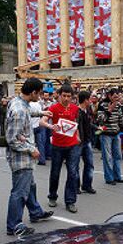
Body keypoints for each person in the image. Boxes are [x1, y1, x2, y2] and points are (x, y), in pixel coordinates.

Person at [5, 78, 54, 236]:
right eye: (39, 94)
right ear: (33, 92)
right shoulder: (19, 110)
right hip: (21, 158)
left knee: (30, 186)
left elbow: (27, 112)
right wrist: (30, 149)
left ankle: (35, 212)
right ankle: (14, 225)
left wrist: (41, 112)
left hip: (24, 157)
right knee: (20, 191)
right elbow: (12, 139)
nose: (40, 97)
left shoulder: (20, 103)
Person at [41, 84, 81, 213]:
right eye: (64, 96)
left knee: (73, 173)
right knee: (55, 172)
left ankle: (70, 201)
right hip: (57, 145)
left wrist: (78, 136)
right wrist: (50, 126)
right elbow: (42, 121)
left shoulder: (75, 108)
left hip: (73, 144)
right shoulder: (53, 108)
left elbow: (75, 124)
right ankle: (52, 196)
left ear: (72, 97)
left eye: (69, 96)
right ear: (59, 95)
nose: (66, 98)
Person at [96, 88, 123, 185]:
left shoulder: (118, 105)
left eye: (118, 97)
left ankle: (117, 176)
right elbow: (100, 121)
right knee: (108, 157)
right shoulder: (102, 105)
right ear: (109, 96)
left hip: (116, 133)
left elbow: (120, 117)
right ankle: (109, 178)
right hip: (106, 134)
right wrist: (109, 110)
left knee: (117, 156)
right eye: (115, 97)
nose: (117, 99)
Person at [77, 90, 96, 194]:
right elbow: (76, 127)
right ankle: (76, 187)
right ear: (85, 100)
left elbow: (89, 124)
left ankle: (87, 185)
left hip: (87, 140)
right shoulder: (77, 111)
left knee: (89, 164)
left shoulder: (87, 111)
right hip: (79, 142)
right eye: (89, 99)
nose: (91, 101)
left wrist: (98, 127)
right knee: (75, 165)